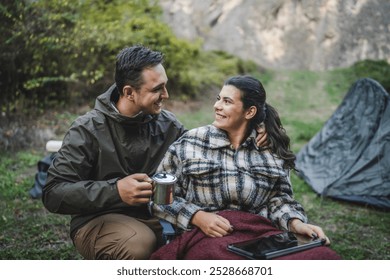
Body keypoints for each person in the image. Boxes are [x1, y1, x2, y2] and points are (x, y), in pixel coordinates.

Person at [42, 45, 267, 260]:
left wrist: (250, 128)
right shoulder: (87, 129)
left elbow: (203, 152)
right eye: (157, 89)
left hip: (158, 215)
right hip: (98, 220)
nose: (166, 94)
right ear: (129, 92)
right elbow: (54, 192)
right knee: (139, 244)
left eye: (165, 85)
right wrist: (115, 191)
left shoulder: (168, 124)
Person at [150, 75, 341, 260]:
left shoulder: (269, 149)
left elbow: (280, 200)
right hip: (207, 237)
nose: (217, 106)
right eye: (218, 99)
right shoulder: (191, 143)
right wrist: (197, 216)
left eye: (227, 101)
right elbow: (160, 199)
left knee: (324, 258)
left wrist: (296, 224)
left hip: (261, 237)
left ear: (249, 112)